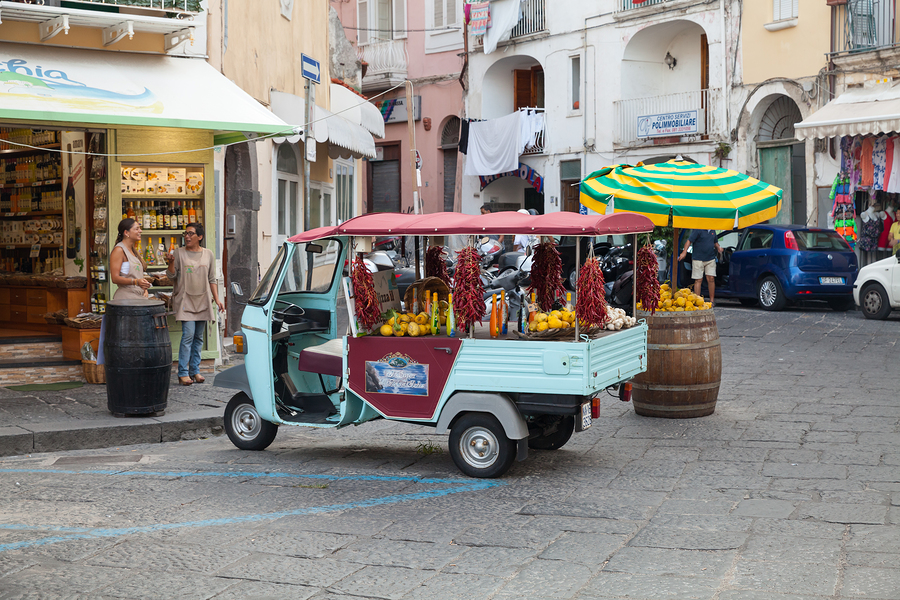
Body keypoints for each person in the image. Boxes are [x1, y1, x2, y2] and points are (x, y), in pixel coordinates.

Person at [165, 223, 224, 386]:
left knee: (198, 338)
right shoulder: (179, 253)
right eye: (186, 233)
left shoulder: (208, 254)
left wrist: (217, 299)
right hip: (185, 300)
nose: (187, 236)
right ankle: (183, 372)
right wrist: (170, 262)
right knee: (188, 336)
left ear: (200, 237)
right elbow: (171, 275)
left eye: (191, 233)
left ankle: (195, 370)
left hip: (203, 300)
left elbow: (212, 279)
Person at [678, 229, 722, 305]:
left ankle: (712, 301)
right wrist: (684, 252)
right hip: (698, 259)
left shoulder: (713, 230)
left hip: (710, 258)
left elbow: (715, 242)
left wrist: (718, 247)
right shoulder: (698, 229)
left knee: (711, 278)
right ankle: (697, 300)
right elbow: (689, 241)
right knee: (698, 280)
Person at [109, 218, 151, 300]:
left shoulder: (133, 251)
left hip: (138, 297)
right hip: (126, 299)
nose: (140, 231)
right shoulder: (119, 250)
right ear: (126, 233)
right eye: (137, 229)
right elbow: (115, 278)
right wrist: (136, 282)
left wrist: (144, 289)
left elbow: (137, 276)